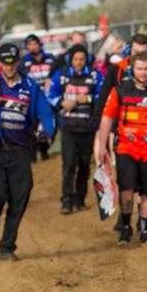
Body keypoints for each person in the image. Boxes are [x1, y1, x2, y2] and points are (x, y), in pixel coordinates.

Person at [0, 43, 56, 261]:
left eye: (13, 63)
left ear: (18, 62)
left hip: (21, 151)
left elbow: (45, 112)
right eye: (5, 63)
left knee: (19, 199)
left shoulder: (29, 85)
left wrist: (47, 130)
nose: (9, 67)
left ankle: (7, 246)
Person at [96, 52, 147, 245]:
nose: (143, 73)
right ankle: (126, 227)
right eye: (139, 69)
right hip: (126, 148)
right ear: (132, 69)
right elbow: (107, 118)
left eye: (146, 69)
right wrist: (102, 145)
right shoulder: (120, 90)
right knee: (126, 189)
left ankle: (146, 230)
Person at [48, 43, 102, 214]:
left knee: (85, 165)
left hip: (88, 128)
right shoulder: (61, 75)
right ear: (70, 60)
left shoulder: (95, 75)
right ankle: (66, 200)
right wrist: (61, 102)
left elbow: (103, 96)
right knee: (69, 164)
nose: (79, 62)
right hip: (68, 128)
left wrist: (88, 99)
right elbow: (50, 96)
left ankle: (80, 199)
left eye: (82, 59)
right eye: (76, 59)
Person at [22, 33, 56, 161]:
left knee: (51, 124)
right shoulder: (24, 62)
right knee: (31, 125)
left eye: (35, 43)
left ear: (40, 44)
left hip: (49, 98)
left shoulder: (50, 59)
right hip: (32, 99)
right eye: (30, 44)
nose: (33, 46)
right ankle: (32, 153)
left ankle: (44, 149)